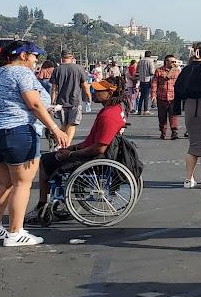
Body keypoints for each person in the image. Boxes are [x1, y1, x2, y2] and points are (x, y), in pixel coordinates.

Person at [0, 41, 71, 247]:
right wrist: (55, 129)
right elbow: (34, 103)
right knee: (22, 183)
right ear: (23, 56)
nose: (36, 61)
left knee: (3, 182)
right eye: (34, 56)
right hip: (18, 132)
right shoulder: (22, 73)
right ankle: (15, 232)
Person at [28, 79, 128, 222]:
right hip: (99, 152)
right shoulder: (115, 109)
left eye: (99, 91)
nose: (94, 92)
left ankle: (42, 205)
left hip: (97, 157)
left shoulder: (108, 116)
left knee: (46, 161)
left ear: (110, 92)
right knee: (55, 155)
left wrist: (71, 153)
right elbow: (92, 142)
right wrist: (72, 148)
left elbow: (99, 147)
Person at [176, 42, 201, 189]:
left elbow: (178, 88)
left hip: (190, 107)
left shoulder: (186, 70)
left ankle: (188, 179)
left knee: (193, 145)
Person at [49, 52, 92, 141]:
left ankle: (59, 140)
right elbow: (85, 85)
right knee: (72, 124)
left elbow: (53, 88)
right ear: (72, 57)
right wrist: (88, 97)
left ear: (61, 58)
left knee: (64, 124)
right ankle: (66, 144)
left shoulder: (57, 69)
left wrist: (52, 100)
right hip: (75, 101)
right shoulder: (78, 68)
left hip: (61, 102)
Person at [153, 54, 181, 140]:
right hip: (162, 96)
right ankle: (163, 132)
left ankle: (174, 132)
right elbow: (155, 83)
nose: (174, 63)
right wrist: (153, 95)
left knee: (173, 115)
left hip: (173, 96)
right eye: (172, 61)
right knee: (162, 116)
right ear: (166, 62)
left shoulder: (177, 71)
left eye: (175, 61)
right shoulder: (159, 71)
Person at [136, 51, 157, 115]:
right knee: (146, 96)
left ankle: (139, 110)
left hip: (141, 80)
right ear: (150, 55)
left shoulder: (140, 61)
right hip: (147, 80)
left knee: (141, 96)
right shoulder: (150, 61)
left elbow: (137, 70)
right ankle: (146, 110)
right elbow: (152, 72)